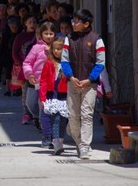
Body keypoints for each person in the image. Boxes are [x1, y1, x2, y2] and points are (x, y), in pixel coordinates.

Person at [61, 9, 105, 160]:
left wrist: (90, 79)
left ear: (86, 24)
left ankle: (85, 146)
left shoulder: (96, 39)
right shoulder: (68, 39)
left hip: (89, 85)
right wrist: (71, 77)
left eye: (77, 21)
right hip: (72, 83)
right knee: (73, 115)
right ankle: (79, 142)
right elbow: (64, 61)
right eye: (73, 20)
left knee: (87, 115)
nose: (73, 23)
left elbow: (100, 63)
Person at [23, 21, 56, 148]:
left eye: (51, 33)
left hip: (50, 84)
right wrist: (29, 75)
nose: (48, 36)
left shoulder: (58, 47)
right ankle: (39, 120)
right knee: (31, 105)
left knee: (45, 110)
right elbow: (27, 63)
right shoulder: (36, 48)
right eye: (46, 33)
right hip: (35, 82)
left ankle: (48, 137)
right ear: (41, 34)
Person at [39, 37, 68, 155]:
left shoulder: (67, 64)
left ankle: (60, 141)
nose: (56, 51)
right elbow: (43, 81)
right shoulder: (49, 63)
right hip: (53, 95)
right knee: (55, 119)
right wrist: (42, 97)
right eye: (54, 49)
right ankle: (56, 143)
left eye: (59, 49)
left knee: (63, 120)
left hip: (64, 96)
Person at [12, 14, 38, 123]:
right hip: (24, 68)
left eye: (34, 22)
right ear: (25, 24)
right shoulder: (20, 37)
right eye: (30, 22)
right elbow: (14, 52)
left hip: (37, 69)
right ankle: (26, 113)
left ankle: (36, 114)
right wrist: (19, 63)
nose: (32, 25)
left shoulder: (39, 37)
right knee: (25, 91)